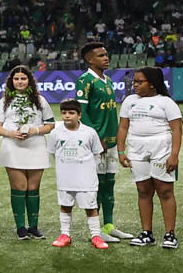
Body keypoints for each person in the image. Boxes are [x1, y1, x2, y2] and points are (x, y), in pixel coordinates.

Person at [117, 66, 183, 249]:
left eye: (139, 82)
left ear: (152, 84)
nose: (134, 85)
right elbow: (123, 127)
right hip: (137, 150)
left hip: (161, 149)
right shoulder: (129, 101)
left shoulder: (166, 103)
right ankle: (147, 233)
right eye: (134, 81)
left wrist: (174, 155)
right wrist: (121, 151)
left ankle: (170, 234)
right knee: (143, 191)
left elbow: (177, 129)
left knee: (165, 191)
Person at [76, 41, 131, 242]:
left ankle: (109, 226)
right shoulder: (85, 80)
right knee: (97, 186)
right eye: (100, 56)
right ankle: (96, 231)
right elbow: (82, 113)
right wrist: (96, 139)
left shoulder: (107, 79)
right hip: (97, 144)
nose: (106, 58)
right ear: (89, 60)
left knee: (109, 184)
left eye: (106, 54)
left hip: (111, 142)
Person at [0, 65, 55, 240]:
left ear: (29, 81)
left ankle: (33, 227)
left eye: (23, 78)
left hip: (36, 146)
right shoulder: (5, 101)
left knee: (34, 188)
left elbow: (51, 124)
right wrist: (10, 133)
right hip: (12, 147)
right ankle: (20, 227)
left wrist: (35, 130)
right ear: (11, 81)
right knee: (19, 187)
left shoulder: (40, 100)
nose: (20, 81)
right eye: (16, 79)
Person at [47, 99, 109, 249]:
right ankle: (65, 235)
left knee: (91, 207)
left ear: (79, 115)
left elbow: (97, 152)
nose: (67, 116)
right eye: (64, 113)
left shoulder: (89, 132)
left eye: (71, 113)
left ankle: (96, 236)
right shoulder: (56, 133)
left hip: (86, 179)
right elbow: (52, 152)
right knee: (65, 205)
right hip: (65, 178)